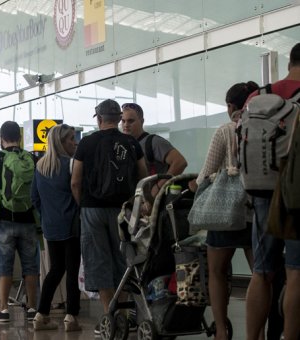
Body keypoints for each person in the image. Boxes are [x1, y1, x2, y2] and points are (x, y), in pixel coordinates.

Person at [187, 81, 258, 340]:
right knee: (260, 274)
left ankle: (220, 330)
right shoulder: (262, 127)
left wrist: (194, 186)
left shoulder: (226, 130)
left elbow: (206, 174)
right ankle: (258, 331)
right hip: (255, 211)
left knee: (217, 272)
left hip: (225, 214)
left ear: (230, 106)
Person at [71, 99, 148, 326]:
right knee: (122, 259)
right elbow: (143, 177)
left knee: (98, 260)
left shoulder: (86, 143)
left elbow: (75, 181)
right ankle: (122, 315)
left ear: (99, 118)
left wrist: (83, 204)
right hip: (122, 210)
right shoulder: (131, 143)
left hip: (92, 210)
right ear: (118, 119)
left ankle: (109, 314)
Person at [245, 42, 300, 340]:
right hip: (296, 195)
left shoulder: (258, 95)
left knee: (262, 271)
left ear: (291, 61)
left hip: (262, 191)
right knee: (296, 274)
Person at [0, 121, 39, 323]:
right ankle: (32, 309)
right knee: (31, 267)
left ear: (1, 138)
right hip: (29, 220)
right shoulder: (31, 158)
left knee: (4, 266)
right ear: (20, 137)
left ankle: (3, 310)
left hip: (5, 219)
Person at [31, 124, 82, 332]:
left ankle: (41, 314)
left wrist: (46, 216)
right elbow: (77, 188)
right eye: (70, 138)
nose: (74, 142)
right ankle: (71, 317)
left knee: (56, 269)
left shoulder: (40, 166)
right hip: (70, 224)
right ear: (61, 142)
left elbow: (34, 198)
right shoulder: (71, 164)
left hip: (50, 226)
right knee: (72, 270)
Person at [120, 102, 187, 196]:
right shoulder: (124, 146)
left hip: (153, 202)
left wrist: (159, 187)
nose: (126, 125)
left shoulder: (154, 142)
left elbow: (180, 162)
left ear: (142, 121)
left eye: (131, 121)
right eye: (123, 121)